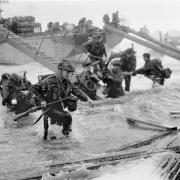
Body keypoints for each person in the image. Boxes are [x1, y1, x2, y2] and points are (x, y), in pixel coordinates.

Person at [32, 59, 93, 140]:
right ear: (60, 71)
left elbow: (76, 90)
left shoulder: (66, 82)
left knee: (59, 123)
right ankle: (66, 136)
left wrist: (87, 99)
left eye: (70, 72)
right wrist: (42, 100)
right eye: (67, 72)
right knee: (67, 116)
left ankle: (59, 137)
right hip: (48, 108)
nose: (69, 74)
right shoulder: (49, 80)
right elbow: (34, 88)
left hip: (59, 107)